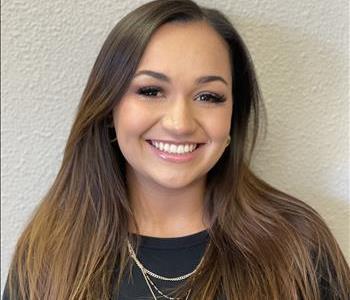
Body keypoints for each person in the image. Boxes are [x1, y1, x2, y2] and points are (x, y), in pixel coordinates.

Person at [3, 0, 349, 299]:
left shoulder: (297, 245)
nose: (180, 122)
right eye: (151, 91)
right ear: (110, 108)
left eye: (208, 97)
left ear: (232, 116)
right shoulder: (50, 252)